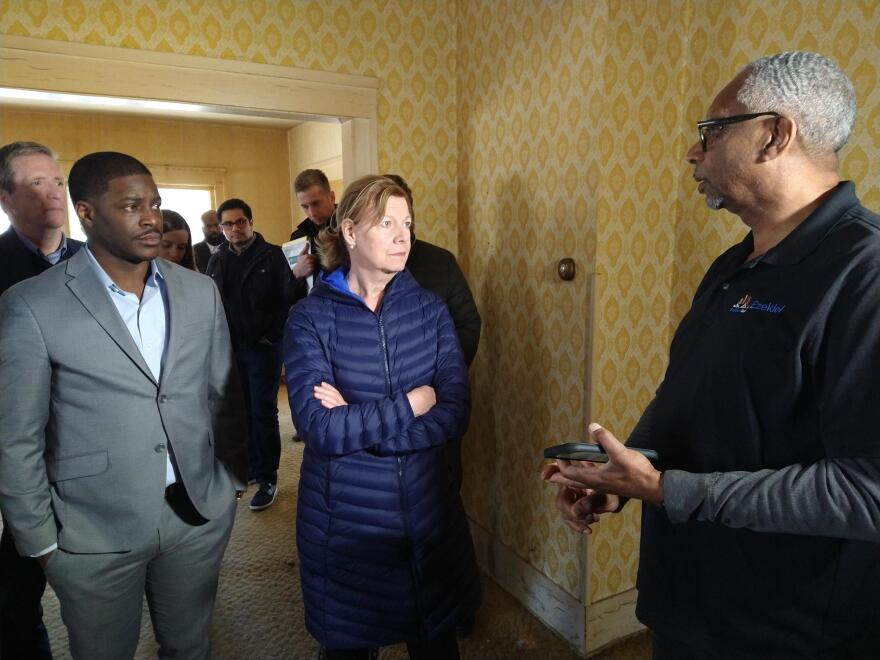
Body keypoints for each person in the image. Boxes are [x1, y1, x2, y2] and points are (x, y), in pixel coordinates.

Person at [543, 51, 880, 658]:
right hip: (685, 602)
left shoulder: (865, 276)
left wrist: (669, 489)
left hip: (780, 630)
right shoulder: (733, 264)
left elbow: (867, 490)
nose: (693, 153)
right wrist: (623, 476)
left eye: (712, 131)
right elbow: (687, 396)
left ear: (776, 134)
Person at [0, 151, 248, 660]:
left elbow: (223, 394)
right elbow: (16, 436)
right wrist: (43, 544)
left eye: (155, 203)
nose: (152, 217)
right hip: (92, 532)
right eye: (132, 205)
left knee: (190, 646)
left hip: (196, 516)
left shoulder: (200, 291)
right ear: (87, 213)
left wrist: (229, 482)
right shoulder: (30, 304)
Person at [284, 175, 480, 659]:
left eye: (407, 223)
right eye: (386, 223)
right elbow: (318, 427)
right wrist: (413, 404)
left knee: (434, 642)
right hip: (346, 521)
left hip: (426, 511)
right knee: (351, 645)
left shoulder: (431, 312)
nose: (402, 236)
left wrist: (363, 429)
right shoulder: (309, 319)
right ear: (349, 231)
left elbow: (456, 411)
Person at [0, 140, 83, 660]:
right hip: (21, 444)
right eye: (35, 182)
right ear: (6, 198)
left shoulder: (96, 262)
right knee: (19, 580)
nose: (53, 193)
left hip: (92, 439)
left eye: (57, 181)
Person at [206, 198, 295, 511]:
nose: (235, 229)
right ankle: (252, 469)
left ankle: (268, 476)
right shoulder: (217, 261)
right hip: (230, 349)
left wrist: (271, 337)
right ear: (221, 228)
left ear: (251, 222)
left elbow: (288, 301)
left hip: (263, 349)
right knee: (240, 414)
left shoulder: (272, 256)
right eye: (228, 224)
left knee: (263, 411)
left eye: (240, 222)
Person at [289, 168, 336, 303]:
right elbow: (289, 296)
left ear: (332, 197)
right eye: (305, 206)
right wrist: (296, 274)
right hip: (313, 312)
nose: (312, 212)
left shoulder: (352, 228)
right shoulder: (298, 238)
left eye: (316, 203)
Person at [193, 209, 224, 273]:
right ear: (202, 228)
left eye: (216, 225)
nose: (213, 230)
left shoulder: (234, 246)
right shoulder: (194, 250)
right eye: (208, 226)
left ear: (222, 225)